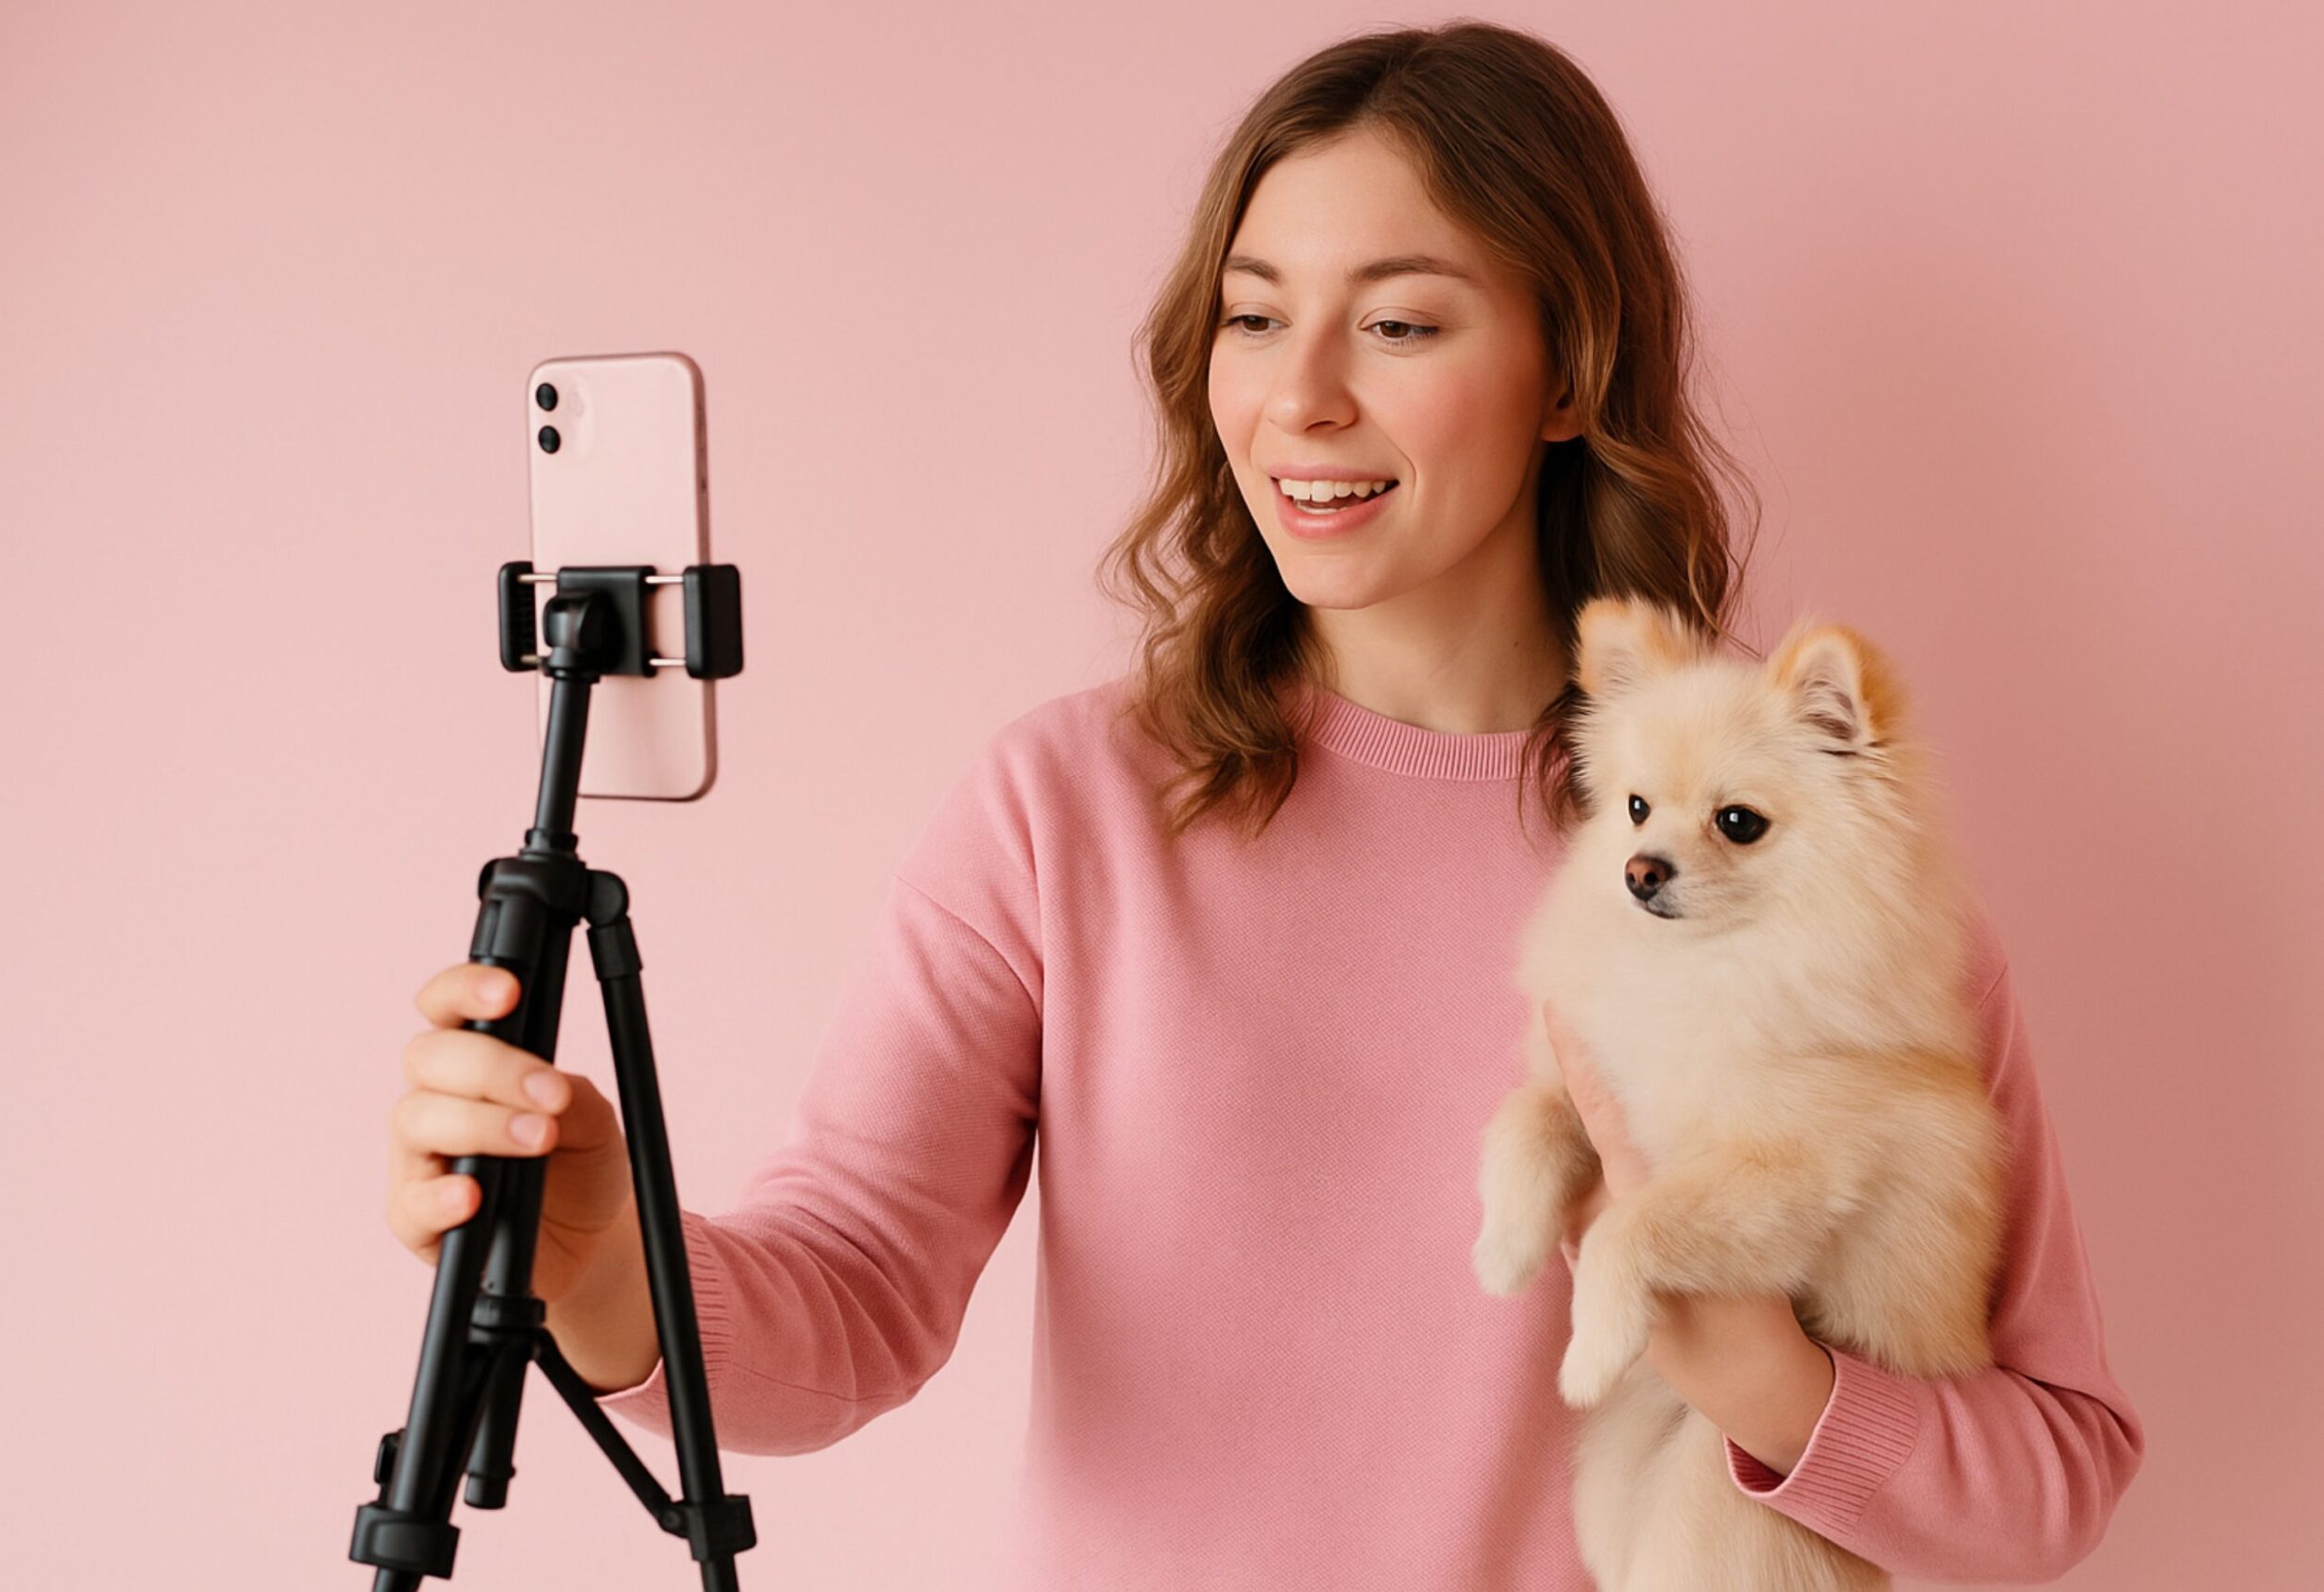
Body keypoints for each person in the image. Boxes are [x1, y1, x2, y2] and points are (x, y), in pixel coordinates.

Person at [384, 21, 2143, 1588]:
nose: (1298, 397)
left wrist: (1757, 1368)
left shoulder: (1800, 855)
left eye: (1396, 320)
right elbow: (841, 1308)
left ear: (1572, 369)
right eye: (1251, 316)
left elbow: (2052, 1477)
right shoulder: (1066, 811)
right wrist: (603, 1252)